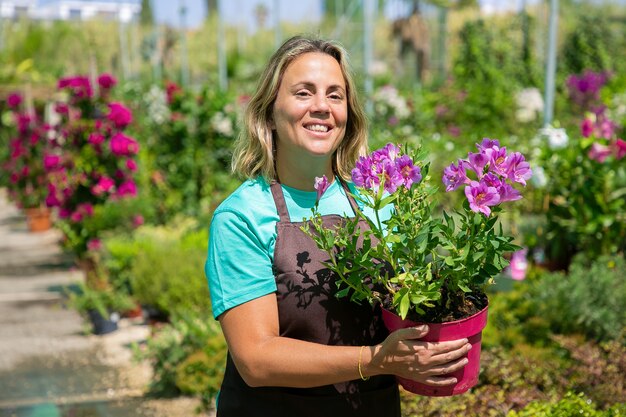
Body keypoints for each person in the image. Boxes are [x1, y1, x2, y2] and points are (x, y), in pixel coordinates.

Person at [205, 35, 472, 417]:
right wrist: (378, 359)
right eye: (303, 93)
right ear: (269, 113)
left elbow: (407, 305)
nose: (321, 107)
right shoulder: (242, 216)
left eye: (335, 95)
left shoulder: (376, 199)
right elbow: (256, 359)